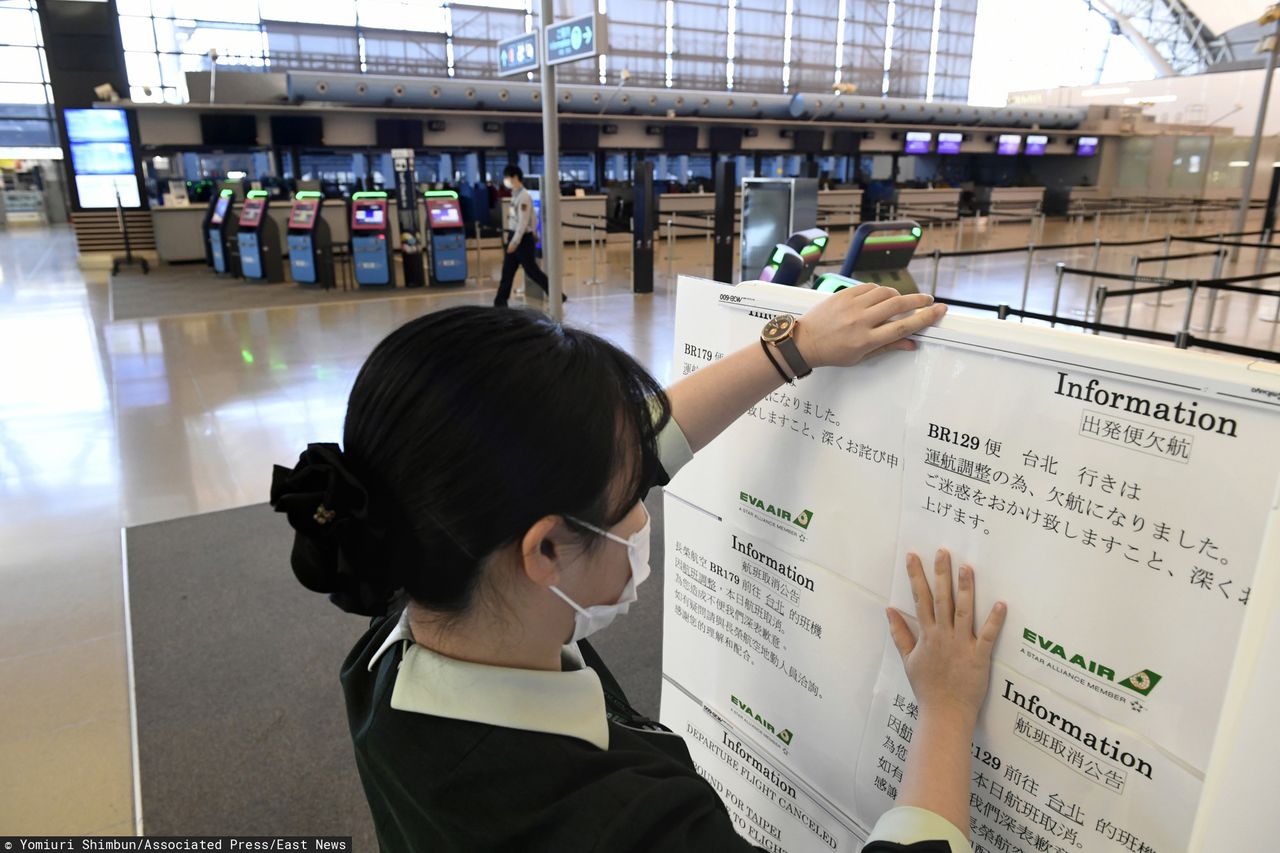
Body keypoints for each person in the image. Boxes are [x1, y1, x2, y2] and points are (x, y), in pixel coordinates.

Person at [270, 287, 1006, 852]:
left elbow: (639, 444)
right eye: (628, 497)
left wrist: (793, 348)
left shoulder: (396, 626)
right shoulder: (621, 825)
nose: (643, 505)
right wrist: (944, 709)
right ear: (545, 550)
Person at [494, 164, 560, 307]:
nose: (505, 180)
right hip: (516, 236)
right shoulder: (515, 195)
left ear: (515, 177)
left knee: (532, 271)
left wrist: (515, 242)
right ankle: (500, 301)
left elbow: (523, 223)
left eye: (507, 177)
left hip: (521, 239)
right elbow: (532, 217)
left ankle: (557, 294)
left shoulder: (524, 196)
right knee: (508, 271)